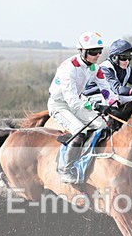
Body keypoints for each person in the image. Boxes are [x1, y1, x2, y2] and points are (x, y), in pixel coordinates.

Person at [48, 31, 118, 183]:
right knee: (80, 131)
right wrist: (95, 105)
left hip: (79, 102)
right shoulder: (68, 68)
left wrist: (113, 104)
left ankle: (86, 159)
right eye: (93, 52)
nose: (97, 55)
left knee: (103, 125)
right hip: (60, 105)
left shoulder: (95, 68)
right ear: (82, 51)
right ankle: (65, 169)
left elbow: (106, 90)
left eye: (99, 51)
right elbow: (72, 100)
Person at [83, 38, 132, 105]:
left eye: (129, 57)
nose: (127, 61)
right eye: (124, 57)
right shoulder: (105, 68)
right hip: (93, 97)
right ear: (114, 57)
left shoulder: (128, 69)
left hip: (111, 96)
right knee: (131, 98)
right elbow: (117, 89)